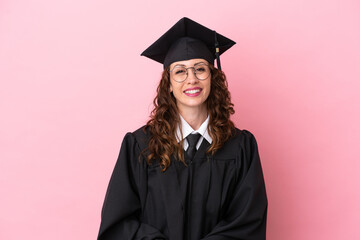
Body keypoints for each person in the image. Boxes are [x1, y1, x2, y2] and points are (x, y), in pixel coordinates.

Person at [97, 17, 268, 240]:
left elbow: (247, 222)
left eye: (200, 69)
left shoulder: (241, 147)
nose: (191, 79)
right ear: (168, 83)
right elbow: (118, 224)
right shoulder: (140, 146)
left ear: (212, 77)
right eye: (180, 71)